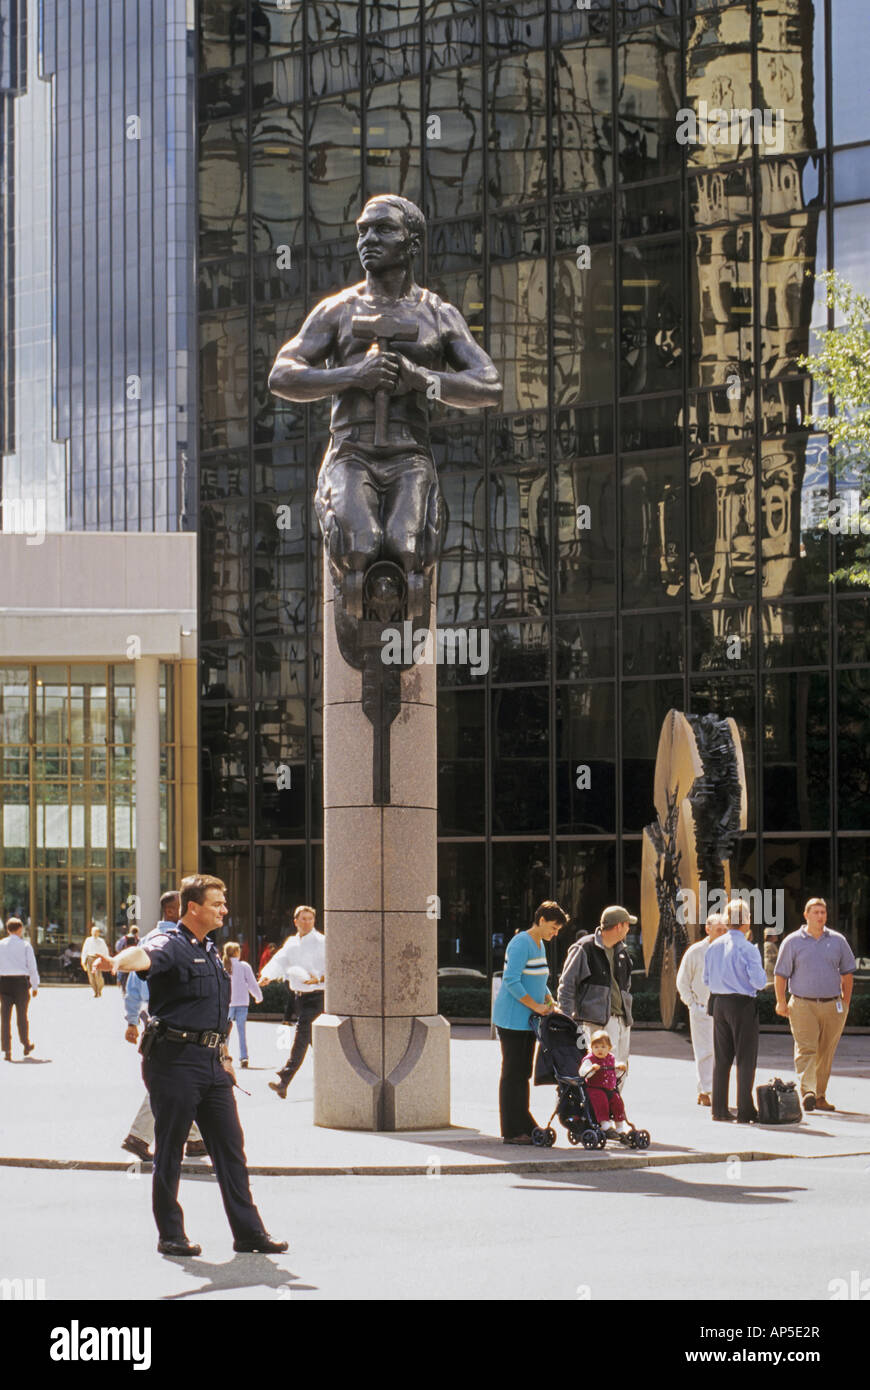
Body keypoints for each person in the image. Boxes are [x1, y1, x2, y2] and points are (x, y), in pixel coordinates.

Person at [95, 874, 287, 1257]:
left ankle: (248, 1233)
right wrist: (116, 960)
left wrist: (227, 1058)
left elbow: (215, 1013)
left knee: (231, 1148)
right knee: (169, 1149)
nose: (224, 909)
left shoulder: (211, 949)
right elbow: (142, 957)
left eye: (224, 902)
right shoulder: (169, 943)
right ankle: (171, 1234)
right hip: (174, 1062)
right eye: (217, 903)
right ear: (193, 908)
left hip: (212, 1064)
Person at [120, 894, 206, 1164]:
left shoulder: (149, 939)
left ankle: (193, 1140)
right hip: (173, 1018)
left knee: (182, 1078)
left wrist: (132, 1019)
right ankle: (139, 1136)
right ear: (173, 911)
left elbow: (133, 986)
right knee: (173, 1079)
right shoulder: (177, 941)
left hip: (154, 1016)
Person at [491, 901, 568, 1144]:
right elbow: (511, 980)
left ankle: (522, 1121)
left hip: (528, 1020)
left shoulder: (539, 945)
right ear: (542, 920)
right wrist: (535, 1006)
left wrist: (548, 998)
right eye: (554, 928)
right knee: (512, 1072)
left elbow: (538, 978)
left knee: (523, 1072)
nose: (554, 934)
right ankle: (512, 1130)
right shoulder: (521, 943)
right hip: (513, 1019)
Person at [773, 897, 856, 1113]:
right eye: (816, 912)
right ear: (806, 915)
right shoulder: (792, 941)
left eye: (823, 912)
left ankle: (820, 1096)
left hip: (832, 1005)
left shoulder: (838, 941)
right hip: (802, 1004)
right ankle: (808, 1090)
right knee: (806, 1048)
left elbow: (847, 974)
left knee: (826, 1051)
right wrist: (781, 1001)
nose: (820, 916)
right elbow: (780, 975)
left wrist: (845, 1003)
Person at [703, 900, 768, 1123]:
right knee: (745, 1058)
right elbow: (759, 982)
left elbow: (706, 979)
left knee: (721, 1058)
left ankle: (719, 1109)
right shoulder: (748, 948)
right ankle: (745, 1110)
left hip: (719, 1002)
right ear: (747, 921)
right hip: (742, 1004)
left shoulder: (714, 946)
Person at [556, 905, 636, 1069]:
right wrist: (567, 1021)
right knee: (593, 1071)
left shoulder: (622, 951)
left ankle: (613, 1096)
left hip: (621, 1020)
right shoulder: (585, 948)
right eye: (627, 924)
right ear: (618, 926)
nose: (629, 929)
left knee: (619, 1070)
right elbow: (567, 986)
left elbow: (625, 985)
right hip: (594, 1022)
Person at [260, 905, 325, 1099]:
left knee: (301, 1036)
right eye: (303, 919)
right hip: (299, 998)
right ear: (295, 922)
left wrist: (320, 978)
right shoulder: (291, 943)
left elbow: (334, 963)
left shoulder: (322, 941)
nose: (307, 922)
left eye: (310, 919)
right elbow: (279, 961)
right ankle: (337, 1077)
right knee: (318, 1043)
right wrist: (267, 976)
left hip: (317, 997)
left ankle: (284, 1079)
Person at [676, 911, 728, 1106]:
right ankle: (706, 1090)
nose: (722, 933)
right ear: (708, 929)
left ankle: (717, 1089)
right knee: (705, 1051)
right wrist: (693, 1004)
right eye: (718, 929)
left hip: (725, 1008)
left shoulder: (729, 950)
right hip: (702, 1008)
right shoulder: (696, 951)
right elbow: (682, 981)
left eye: (725, 929)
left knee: (722, 1051)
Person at [0, 918, 39, 1061]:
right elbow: (32, 967)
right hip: (20, 983)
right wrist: (35, 985)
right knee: (22, 1016)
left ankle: (7, 1050)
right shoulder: (25, 945)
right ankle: (26, 1043)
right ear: (19, 929)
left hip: (4, 982)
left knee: (5, 1017)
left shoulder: (1, 945)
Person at [579, 1029, 629, 1135]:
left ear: (609, 1048)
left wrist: (620, 1067)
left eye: (603, 1047)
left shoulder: (610, 1058)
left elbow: (613, 1072)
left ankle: (619, 1126)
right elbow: (582, 1072)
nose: (599, 1050)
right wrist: (591, 1069)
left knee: (618, 1102)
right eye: (596, 1047)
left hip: (610, 1088)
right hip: (594, 1088)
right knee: (601, 1101)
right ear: (591, 1048)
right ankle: (605, 1124)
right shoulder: (590, 1059)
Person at [223, 942, 262, 1069]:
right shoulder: (244, 966)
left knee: (225, 1031)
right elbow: (252, 983)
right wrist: (258, 996)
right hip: (242, 1002)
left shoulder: (223, 966)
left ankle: (222, 1055)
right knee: (241, 1031)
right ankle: (244, 1057)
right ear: (237, 952)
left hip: (227, 1003)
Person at [81, 921, 110, 997]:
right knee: (91, 976)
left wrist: (106, 960)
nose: (94, 933)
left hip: (98, 959)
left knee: (98, 975)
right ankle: (95, 991)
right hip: (90, 958)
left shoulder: (101, 941)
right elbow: (84, 951)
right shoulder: (88, 940)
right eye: (93, 932)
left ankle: (99, 989)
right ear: (91, 932)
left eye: (96, 932)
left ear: (98, 933)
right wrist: (83, 961)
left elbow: (105, 951)